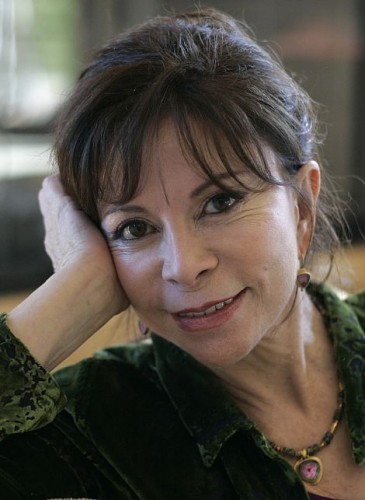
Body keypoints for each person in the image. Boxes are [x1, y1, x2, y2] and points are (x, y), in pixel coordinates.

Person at [0, 7, 364, 499]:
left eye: (220, 201)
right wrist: (73, 290)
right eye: (135, 227)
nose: (184, 267)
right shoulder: (88, 428)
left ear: (301, 206)